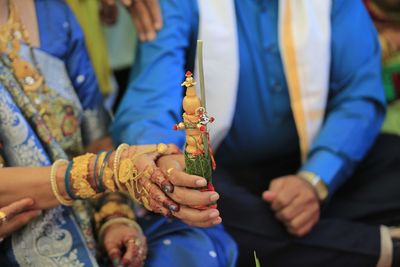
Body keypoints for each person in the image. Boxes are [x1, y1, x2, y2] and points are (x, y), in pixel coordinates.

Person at [111, 0, 400, 266]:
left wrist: (315, 180)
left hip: (307, 161)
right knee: (197, 201)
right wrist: (166, 161)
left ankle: (294, 243)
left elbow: (359, 94)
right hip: (220, 170)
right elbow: (150, 100)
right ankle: (380, 248)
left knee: (392, 157)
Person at [0, 1, 237, 267]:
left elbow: (95, 137)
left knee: (190, 247)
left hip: (88, 215)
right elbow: (109, 166)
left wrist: (114, 216)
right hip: (19, 244)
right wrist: (112, 171)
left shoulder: (54, 15)